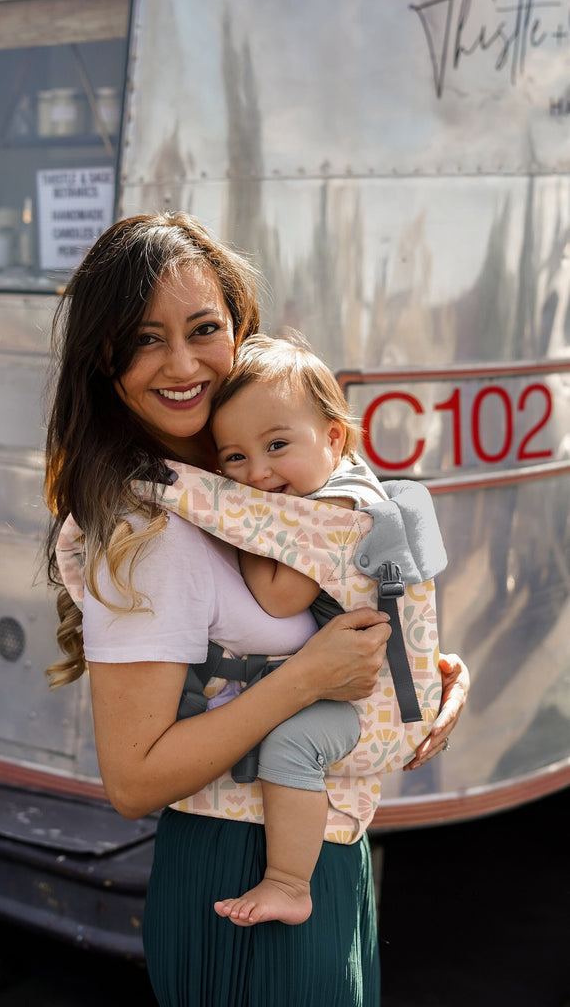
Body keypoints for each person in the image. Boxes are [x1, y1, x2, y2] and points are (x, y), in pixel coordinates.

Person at [45, 211, 469, 1007]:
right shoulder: (151, 525)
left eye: (204, 328)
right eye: (143, 339)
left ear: (240, 330)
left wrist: (431, 670)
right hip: (241, 864)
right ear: (104, 360)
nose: (181, 364)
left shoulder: (255, 483)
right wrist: (309, 675)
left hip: (319, 845)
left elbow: (356, 584)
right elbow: (133, 780)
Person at [205, 331, 444, 927]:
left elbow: (279, 596)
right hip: (376, 688)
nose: (257, 473)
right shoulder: (342, 485)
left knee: (292, 744)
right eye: (233, 458)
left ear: (333, 437)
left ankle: (289, 882)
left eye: (277, 444)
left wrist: (240, 529)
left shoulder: (336, 511)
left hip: (378, 707)